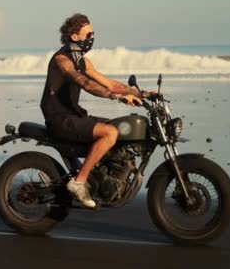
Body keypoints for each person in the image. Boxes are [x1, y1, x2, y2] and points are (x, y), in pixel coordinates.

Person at [40, 13, 155, 208]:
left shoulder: (82, 60)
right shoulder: (62, 60)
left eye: (93, 33)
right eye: (88, 34)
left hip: (75, 115)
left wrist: (140, 93)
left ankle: (104, 176)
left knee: (119, 128)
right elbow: (85, 83)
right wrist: (116, 97)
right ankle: (79, 182)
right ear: (75, 36)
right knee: (110, 132)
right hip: (60, 118)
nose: (92, 38)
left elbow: (108, 83)